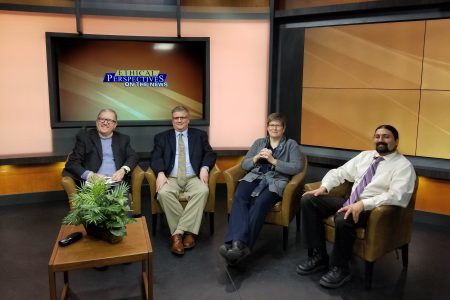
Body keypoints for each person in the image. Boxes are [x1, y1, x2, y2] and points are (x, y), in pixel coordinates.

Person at [296, 125, 416, 288]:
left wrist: (363, 204)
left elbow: (397, 196)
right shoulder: (366, 156)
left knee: (343, 217)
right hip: (351, 201)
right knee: (308, 200)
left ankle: (341, 268)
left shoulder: (403, 166)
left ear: (396, 141)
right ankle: (320, 256)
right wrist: (324, 188)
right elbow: (340, 172)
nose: (380, 140)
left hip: (373, 209)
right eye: (377, 136)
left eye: (386, 137)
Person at [219, 113, 304, 265]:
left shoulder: (291, 145)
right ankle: (238, 245)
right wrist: (255, 158)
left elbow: (297, 167)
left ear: (283, 129)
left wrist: (274, 161)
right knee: (240, 197)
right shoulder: (259, 143)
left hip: (275, 181)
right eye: (271, 125)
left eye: (278, 125)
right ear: (267, 127)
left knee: (260, 203)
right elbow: (245, 165)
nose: (274, 128)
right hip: (254, 177)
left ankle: (236, 244)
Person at [150, 106, 216, 255]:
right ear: (172, 120)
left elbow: (210, 154)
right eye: (176, 118)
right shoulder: (161, 137)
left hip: (193, 177)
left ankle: (177, 234)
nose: (179, 120)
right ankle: (188, 233)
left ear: (188, 119)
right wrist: (160, 172)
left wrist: (205, 167)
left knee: (203, 190)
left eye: (182, 117)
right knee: (163, 193)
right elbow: (155, 157)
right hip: (171, 177)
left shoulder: (199, 135)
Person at [63, 108, 139, 184]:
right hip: (93, 184)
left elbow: (133, 156)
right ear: (96, 122)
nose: (105, 123)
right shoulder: (84, 138)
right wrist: (90, 175)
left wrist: (123, 170)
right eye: (102, 119)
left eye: (109, 120)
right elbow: (72, 163)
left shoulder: (123, 139)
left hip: (116, 183)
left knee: (121, 195)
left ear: (115, 125)